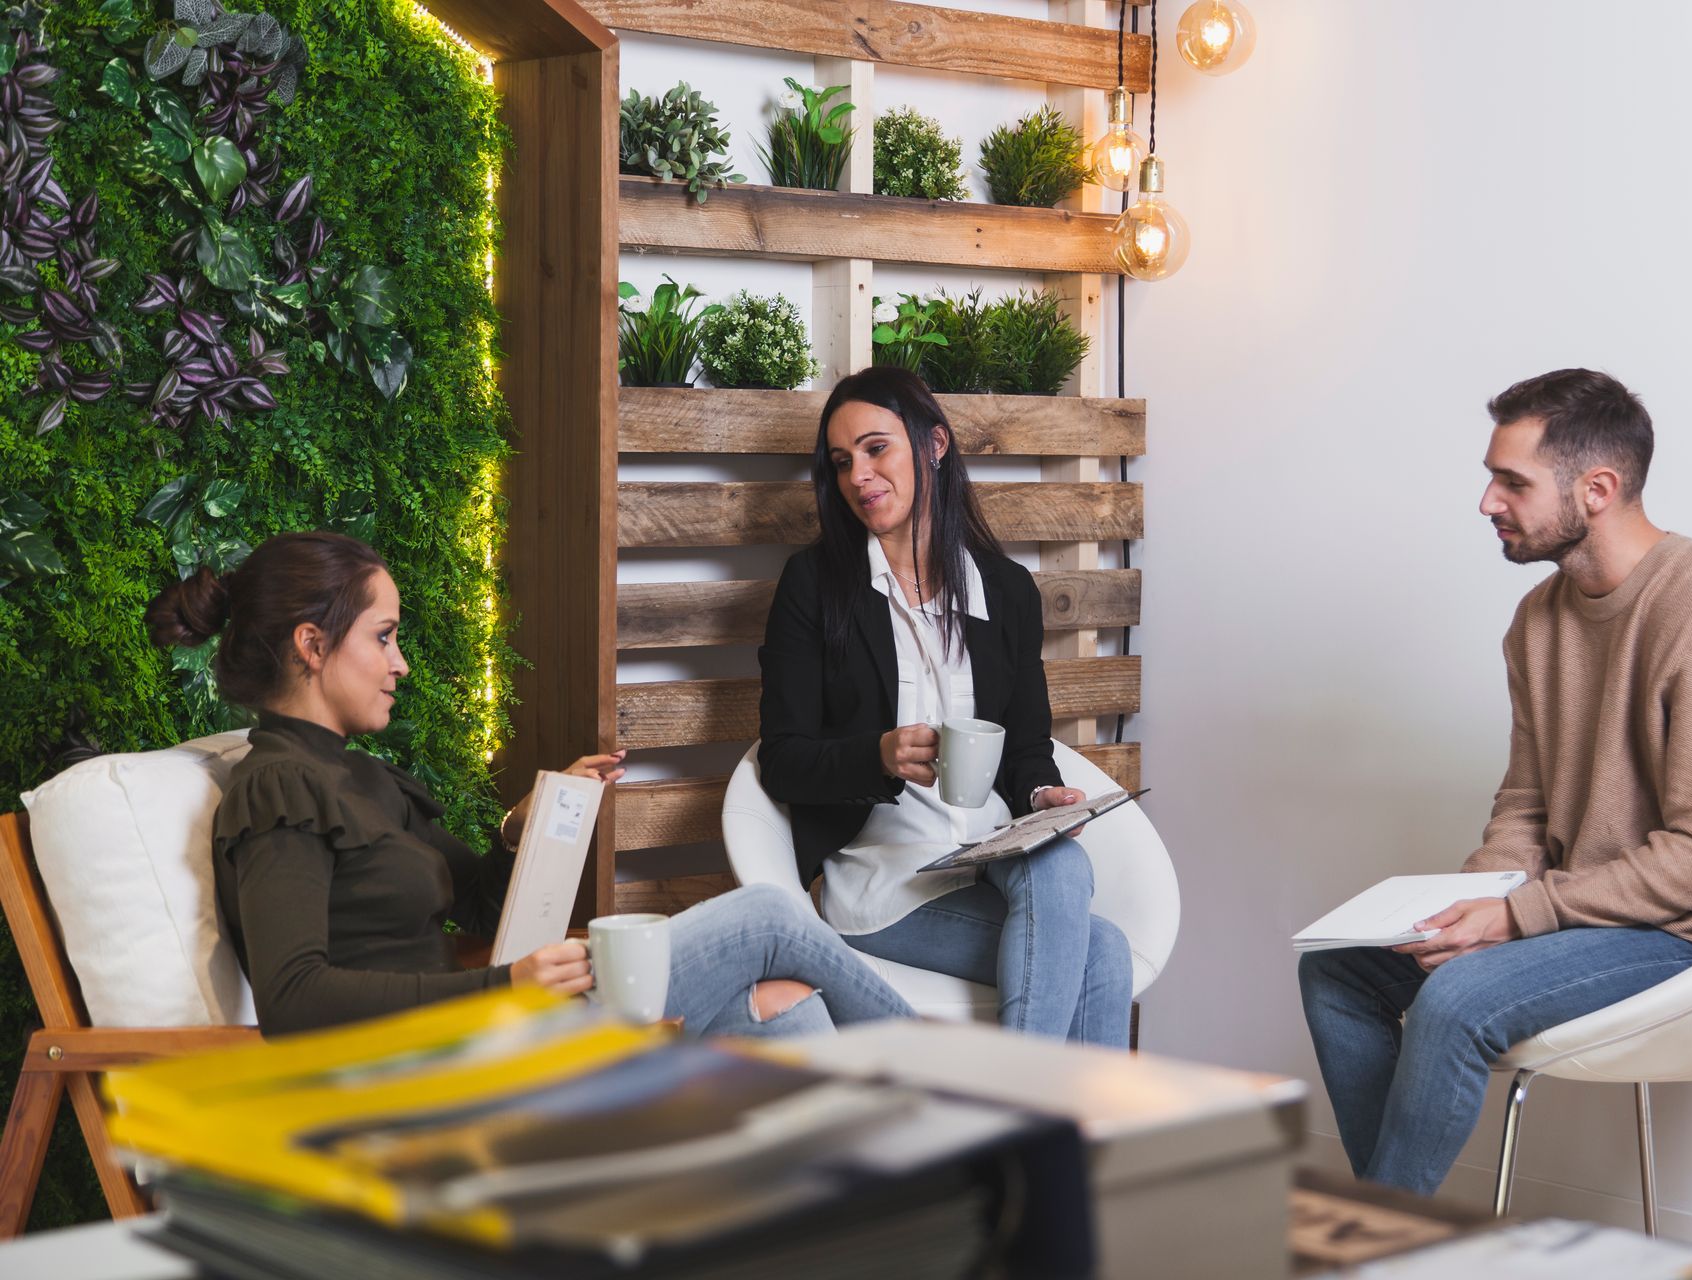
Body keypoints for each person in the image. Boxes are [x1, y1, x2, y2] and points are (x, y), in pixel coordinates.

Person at [1297, 368, 1692, 1195]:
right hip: (1591, 911)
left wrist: (1518, 915)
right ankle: (1392, 1232)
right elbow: (1527, 801)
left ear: (1598, 488)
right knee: (1340, 969)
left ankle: (1378, 1250)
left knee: (1458, 1000)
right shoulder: (1540, 619)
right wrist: (1473, 901)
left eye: (1512, 482)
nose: (1487, 502)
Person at [146, 531, 916, 1038]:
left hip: (492, 1035)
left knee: (789, 1018)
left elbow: (478, 901)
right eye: (383, 637)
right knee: (768, 918)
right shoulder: (276, 787)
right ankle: (986, 1101)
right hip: (431, 1072)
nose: (400, 662)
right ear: (311, 645)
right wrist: (501, 987)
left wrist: (531, 824)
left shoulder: (357, 775)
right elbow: (294, 998)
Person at [756, 366, 1133, 1048]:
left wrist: (1043, 793)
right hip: (880, 878)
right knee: (1100, 953)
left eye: (876, 449)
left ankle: (1015, 1129)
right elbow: (782, 759)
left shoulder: (1007, 591)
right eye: (842, 463)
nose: (858, 477)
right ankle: (1042, 1135)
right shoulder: (814, 585)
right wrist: (876, 755)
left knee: (1063, 865)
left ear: (934, 446)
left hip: (984, 858)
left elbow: (1024, 749)